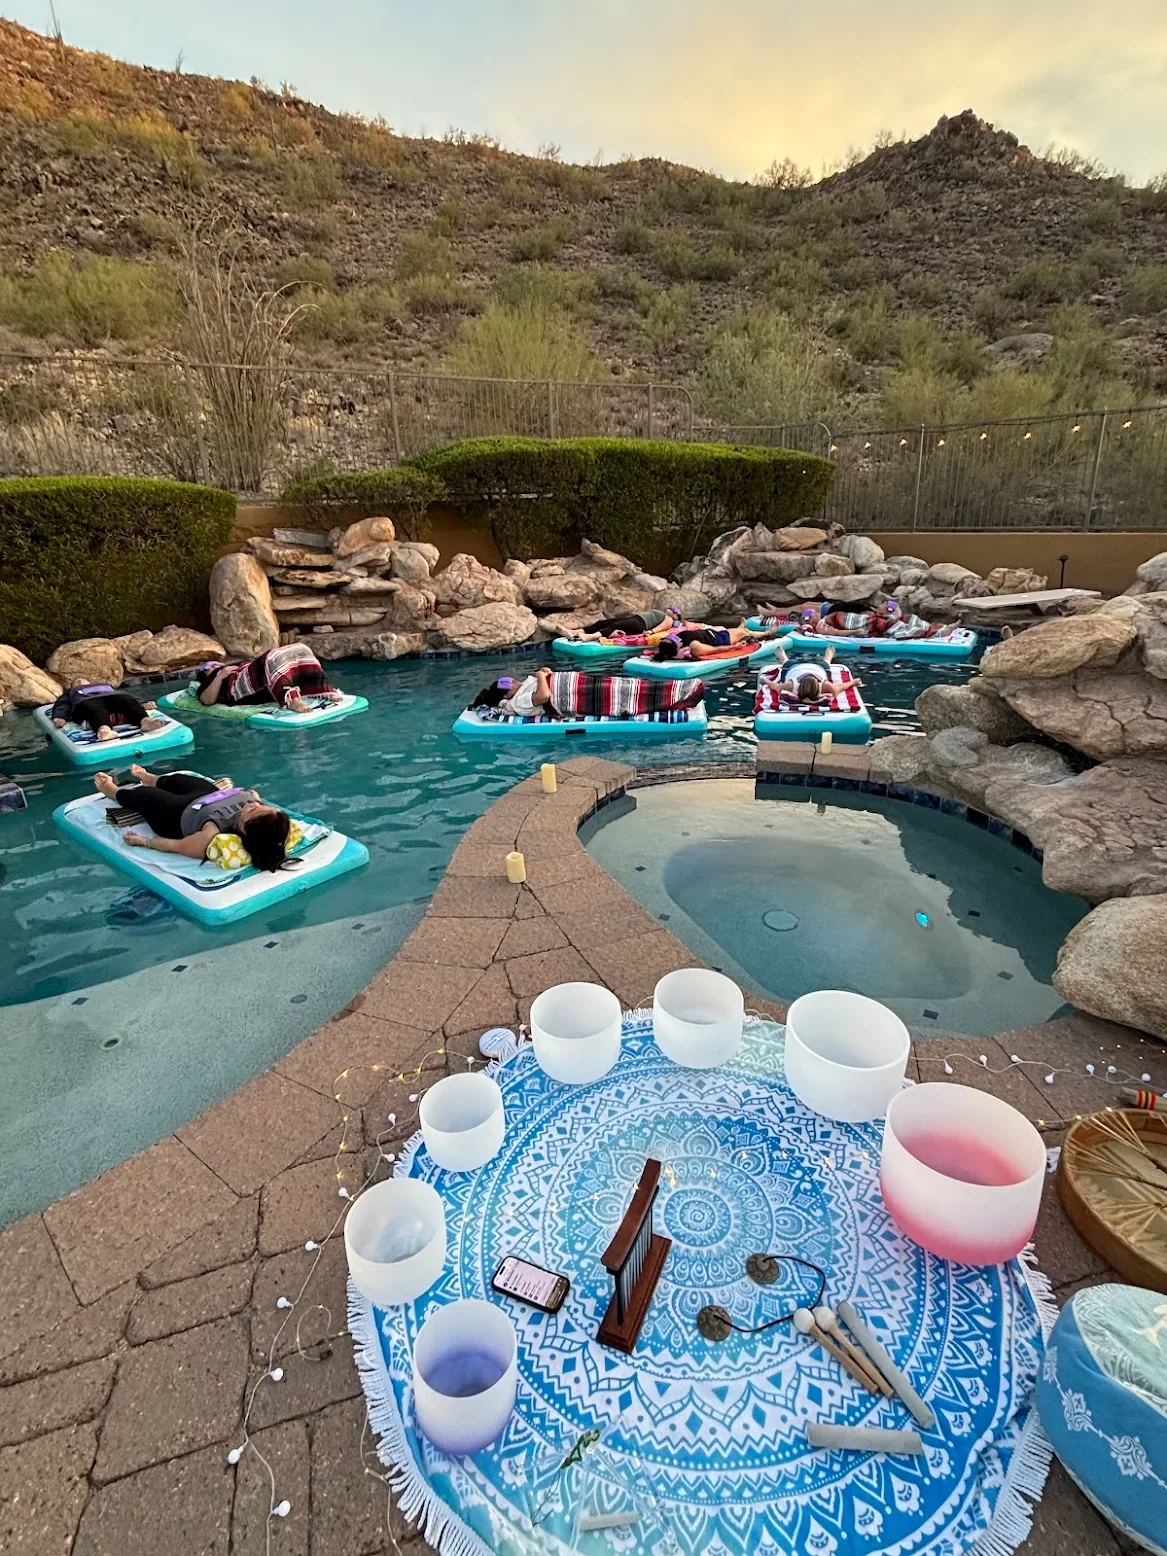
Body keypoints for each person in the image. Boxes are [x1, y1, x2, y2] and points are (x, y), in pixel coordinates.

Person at [93, 766, 293, 871]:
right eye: (259, 806)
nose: (253, 805)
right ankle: (150, 778)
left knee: (146, 796)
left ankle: (113, 791)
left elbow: (176, 846)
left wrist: (143, 841)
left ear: (245, 829)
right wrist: (256, 801)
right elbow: (256, 799)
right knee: (181, 779)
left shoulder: (212, 833)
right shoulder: (268, 817)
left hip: (177, 815)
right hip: (210, 797)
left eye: (252, 811)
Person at [467, 668, 704, 720]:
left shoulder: (523, 687)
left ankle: (678, 689)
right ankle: (679, 694)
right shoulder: (517, 702)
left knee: (627, 684)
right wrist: (541, 677)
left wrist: (545, 674)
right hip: (576, 695)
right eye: (510, 682)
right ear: (506, 693)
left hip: (578, 683)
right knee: (626, 694)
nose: (515, 680)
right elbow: (542, 698)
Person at [194, 644, 341, 713]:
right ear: (204, 673)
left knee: (302, 649)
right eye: (209, 666)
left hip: (258, 681)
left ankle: (323, 689)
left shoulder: (229, 668)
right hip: (239, 688)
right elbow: (207, 701)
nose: (212, 666)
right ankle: (291, 700)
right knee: (272, 658)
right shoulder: (209, 682)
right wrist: (220, 675)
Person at [50, 683, 166, 741]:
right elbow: (62, 704)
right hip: (86, 701)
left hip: (112, 697)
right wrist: (60, 717)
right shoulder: (72, 691)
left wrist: (143, 704)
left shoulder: (106, 686)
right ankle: (104, 730)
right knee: (94, 708)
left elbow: (128, 697)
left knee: (126, 700)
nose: (80, 680)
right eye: (77, 681)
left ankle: (146, 721)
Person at [759, 644, 856, 705]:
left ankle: (782, 656)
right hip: (811, 669)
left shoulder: (792, 685)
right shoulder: (824, 686)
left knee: (786, 662)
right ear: (818, 688)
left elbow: (776, 686)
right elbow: (840, 687)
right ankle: (829, 655)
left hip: (802, 668)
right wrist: (853, 682)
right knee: (826, 663)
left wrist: (766, 681)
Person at [652, 621, 778, 661]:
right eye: (673, 639)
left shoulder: (677, 641)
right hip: (721, 639)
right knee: (745, 631)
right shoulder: (694, 647)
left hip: (710, 631)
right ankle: (767, 633)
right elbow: (715, 650)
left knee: (723, 627)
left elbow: (661, 649)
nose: (674, 637)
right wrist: (735, 647)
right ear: (676, 646)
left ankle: (738, 628)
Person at [569, 606, 682, 643]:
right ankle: (580, 631)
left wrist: (652, 632)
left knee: (614, 625)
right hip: (635, 620)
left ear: (676, 617)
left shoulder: (669, 620)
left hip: (640, 624)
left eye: (674, 610)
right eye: (671, 607)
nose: (670, 609)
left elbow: (662, 627)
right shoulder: (662, 613)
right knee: (605, 621)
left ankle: (589, 636)